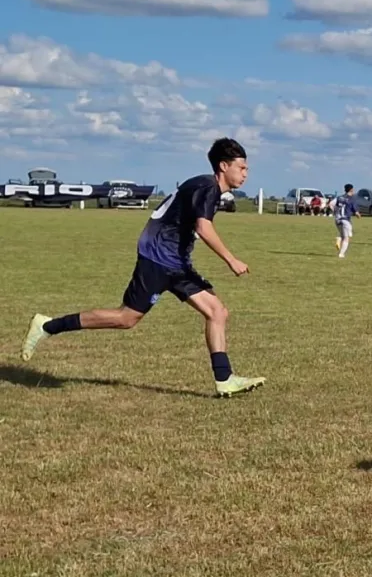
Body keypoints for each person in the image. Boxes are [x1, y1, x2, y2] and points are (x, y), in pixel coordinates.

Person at [20, 138, 266, 398]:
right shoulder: (207, 187)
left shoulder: (206, 187)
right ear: (223, 166)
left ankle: (224, 379)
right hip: (158, 258)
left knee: (217, 311)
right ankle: (48, 326)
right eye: (242, 168)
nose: (246, 174)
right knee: (127, 318)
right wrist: (231, 259)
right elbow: (203, 227)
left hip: (176, 262)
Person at [334, 184, 361, 258]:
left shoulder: (339, 198)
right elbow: (356, 212)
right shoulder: (352, 199)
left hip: (337, 219)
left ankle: (338, 239)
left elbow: (334, 206)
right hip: (346, 220)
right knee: (347, 238)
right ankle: (341, 254)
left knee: (343, 235)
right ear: (351, 189)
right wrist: (358, 215)